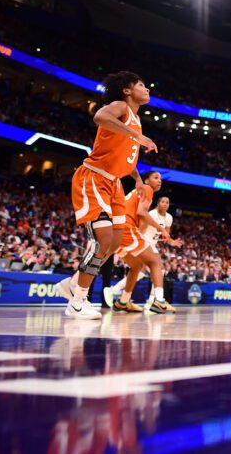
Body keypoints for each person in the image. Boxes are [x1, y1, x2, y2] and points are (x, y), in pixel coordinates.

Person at [59, 71, 157, 320]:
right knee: (103, 240)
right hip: (94, 177)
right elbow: (100, 116)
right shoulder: (120, 106)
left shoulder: (134, 118)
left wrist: (135, 177)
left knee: (113, 243)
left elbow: (123, 152)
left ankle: (72, 284)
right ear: (126, 90)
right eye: (142, 84)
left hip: (114, 184)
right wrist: (137, 136)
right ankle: (77, 300)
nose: (147, 89)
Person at [111, 171, 176, 314]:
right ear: (146, 181)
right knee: (155, 261)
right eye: (156, 178)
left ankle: (123, 301)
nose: (160, 181)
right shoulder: (147, 189)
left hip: (115, 230)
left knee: (137, 265)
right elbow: (141, 213)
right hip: (126, 227)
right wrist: (162, 229)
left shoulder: (139, 191)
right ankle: (159, 301)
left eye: (160, 178)